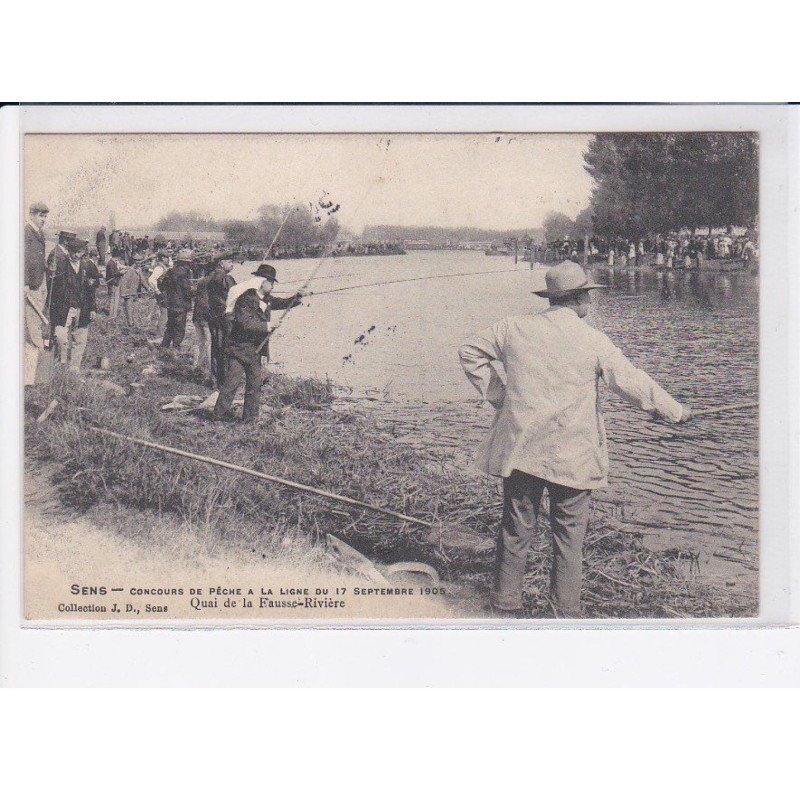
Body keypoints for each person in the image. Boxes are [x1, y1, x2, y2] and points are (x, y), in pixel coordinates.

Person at [459, 260, 692, 618]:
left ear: (552, 299)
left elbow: (470, 351)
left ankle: (505, 605)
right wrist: (674, 411)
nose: (591, 303)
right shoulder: (593, 340)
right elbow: (631, 382)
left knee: (515, 529)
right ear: (581, 299)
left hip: (521, 450)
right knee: (569, 541)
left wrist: (500, 397)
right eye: (589, 296)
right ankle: (564, 614)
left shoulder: (514, 327)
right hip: (572, 455)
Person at [214, 263, 302, 422]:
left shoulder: (266, 299)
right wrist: (267, 326)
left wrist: (297, 298)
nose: (273, 286)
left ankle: (250, 419)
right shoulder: (246, 299)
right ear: (262, 282)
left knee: (254, 386)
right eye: (271, 282)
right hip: (239, 349)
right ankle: (219, 415)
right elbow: (245, 323)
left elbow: (282, 303)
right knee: (231, 383)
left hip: (255, 351)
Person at [48, 238, 100, 372]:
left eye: (80, 252)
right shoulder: (61, 265)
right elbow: (52, 287)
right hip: (64, 307)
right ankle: (62, 363)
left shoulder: (87, 266)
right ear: (69, 251)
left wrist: (93, 308)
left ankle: (74, 367)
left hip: (83, 307)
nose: (77, 255)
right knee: (60, 336)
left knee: (80, 338)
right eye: (75, 252)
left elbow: (92, 289)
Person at [24, 201, 50, 386]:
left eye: (45, 216)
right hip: (31, 285)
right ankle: (33, 375)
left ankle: (37, 368)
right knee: (33, 324)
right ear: (32, 214)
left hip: (40, 282)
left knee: (37, 322)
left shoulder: (39, 233)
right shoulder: (26, 233)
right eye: (41, 215)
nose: (43, 219)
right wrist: (24, 282)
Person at [206, 259, 236, 387]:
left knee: (216, 348)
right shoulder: (225, 278)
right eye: (229, 262)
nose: (232, 264)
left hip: (214, 317)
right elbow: (234, 294)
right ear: (221, 263)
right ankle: (224, 381)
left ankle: (216, 379)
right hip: (224, 318)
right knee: (225, 348)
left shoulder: (211, 276)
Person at [159, 249, 193, 348]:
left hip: (171, 304)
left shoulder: (170, 271)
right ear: (185, 263)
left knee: (170, 326)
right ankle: (176, 348)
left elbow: (160, 284)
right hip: (181, 305)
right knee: (179, 328)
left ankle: (164, 346)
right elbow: (187, 291)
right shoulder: (184, 274)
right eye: (188, 263)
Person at [191, 268, 213, 378]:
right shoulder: (214, 282)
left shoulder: (201, 281)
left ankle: (196, 367)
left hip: (197, 315)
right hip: (207, 317)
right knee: (210, 343)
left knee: (198, 342)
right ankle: (211, 371)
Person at [147, 252, 171, 342]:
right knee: (164, 313)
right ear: (162, 258)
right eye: (166, 258)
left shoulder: (163, 266)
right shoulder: (159, 268)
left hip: (164, 292)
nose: (168, 259)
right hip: (162, 293)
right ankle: (160, 334)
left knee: (164, 313)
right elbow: (151, 279)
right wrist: (157, 290)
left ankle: (160, 331)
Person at [118, 257, 148, 328]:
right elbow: (123, 282)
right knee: (129, 308)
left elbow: (143, 280)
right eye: (138, 262)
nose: (140, 263)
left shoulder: (139, 270)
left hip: (136, 293)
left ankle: (136, 323)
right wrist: (123, 293)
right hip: (129, 293)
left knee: (136, 308)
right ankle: (130, 324)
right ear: (134, 262)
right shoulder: (129, 271)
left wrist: (147, 288)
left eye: (140, 262)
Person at [104, 253, 123, 319]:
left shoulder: (111, 262)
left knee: (113, 299)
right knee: (114, 299)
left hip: (113, 283)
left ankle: (112, 314)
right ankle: (112, 315)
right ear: (117, 257)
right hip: (113, 284)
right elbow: (112, 274)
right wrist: (120, 273)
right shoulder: (111, 263)